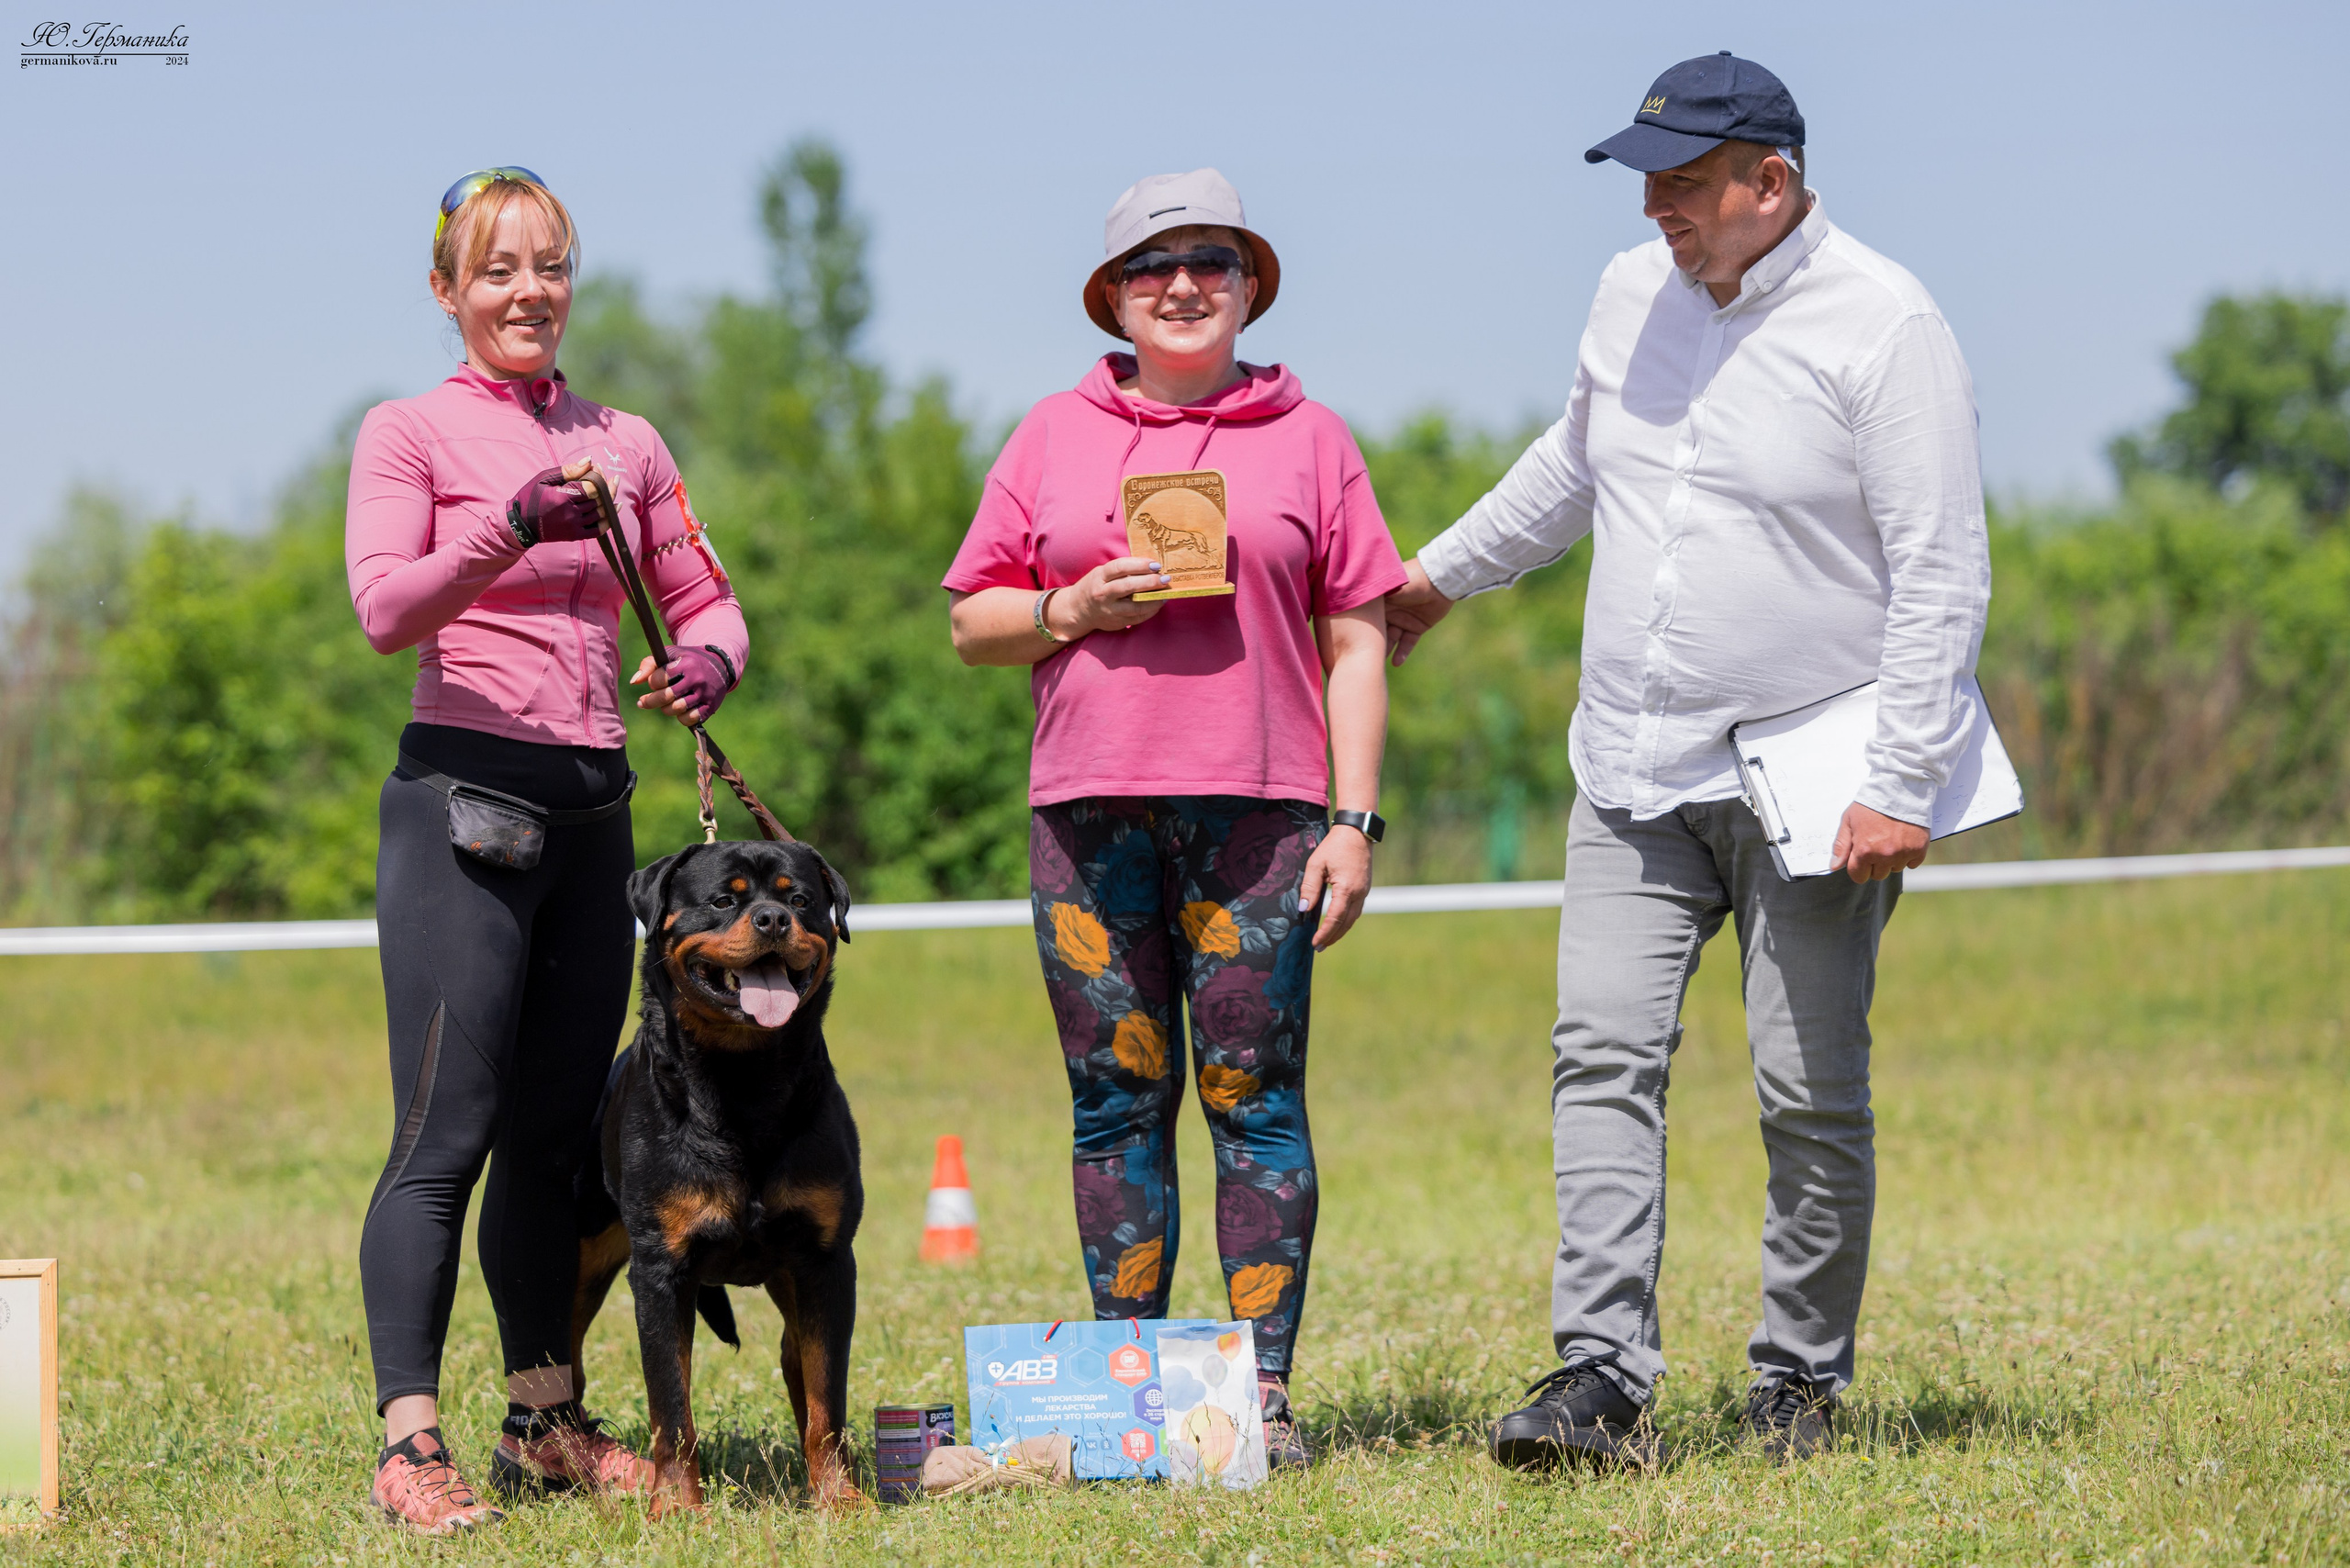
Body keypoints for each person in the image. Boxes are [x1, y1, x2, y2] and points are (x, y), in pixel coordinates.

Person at [1388, 55, 1992, 1468]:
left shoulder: (1888, 325)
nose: (1657, 206)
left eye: (1683, 180)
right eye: (1646, 179)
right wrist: (1434, 581)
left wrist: (1904, 779)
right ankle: (1600, 1376)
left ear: (1769, 183)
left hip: (1815, 783)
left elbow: (1941, 570)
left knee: (1808, 1090)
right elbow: (1575, 463)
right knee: (1600, 1056)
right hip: (1632, 764)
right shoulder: (1626, 296)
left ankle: (1797, 1381)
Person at [943, 169, 1406, 1469]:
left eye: (1213, 259)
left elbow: (1357, 639)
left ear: (1252, 285)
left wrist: (1354, 817)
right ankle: (1130, 1399)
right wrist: (1068, 610)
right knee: (1113, 1103)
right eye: (1154, 266)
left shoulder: (1313, 438)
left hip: (1261, 815)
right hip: (1089, 814)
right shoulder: (1049, 434)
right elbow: (973, 618)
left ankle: (1257, 1396)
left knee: (1253, 1099)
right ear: (1114, 297)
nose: (1185, 283)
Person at [344, 167, 747, 1532]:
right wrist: (510, 523)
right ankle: (410, 1442)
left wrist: (704, 661)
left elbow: (711, 599)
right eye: (497, 269)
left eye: (550, 266)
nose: (528, 292)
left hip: (595, 815)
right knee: (442, 1131)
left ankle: (541, 1419)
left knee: (556, 1138)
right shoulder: (406, 434)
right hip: (463, 799)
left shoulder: (627, 440)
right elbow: (386, 609)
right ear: (449, 291)